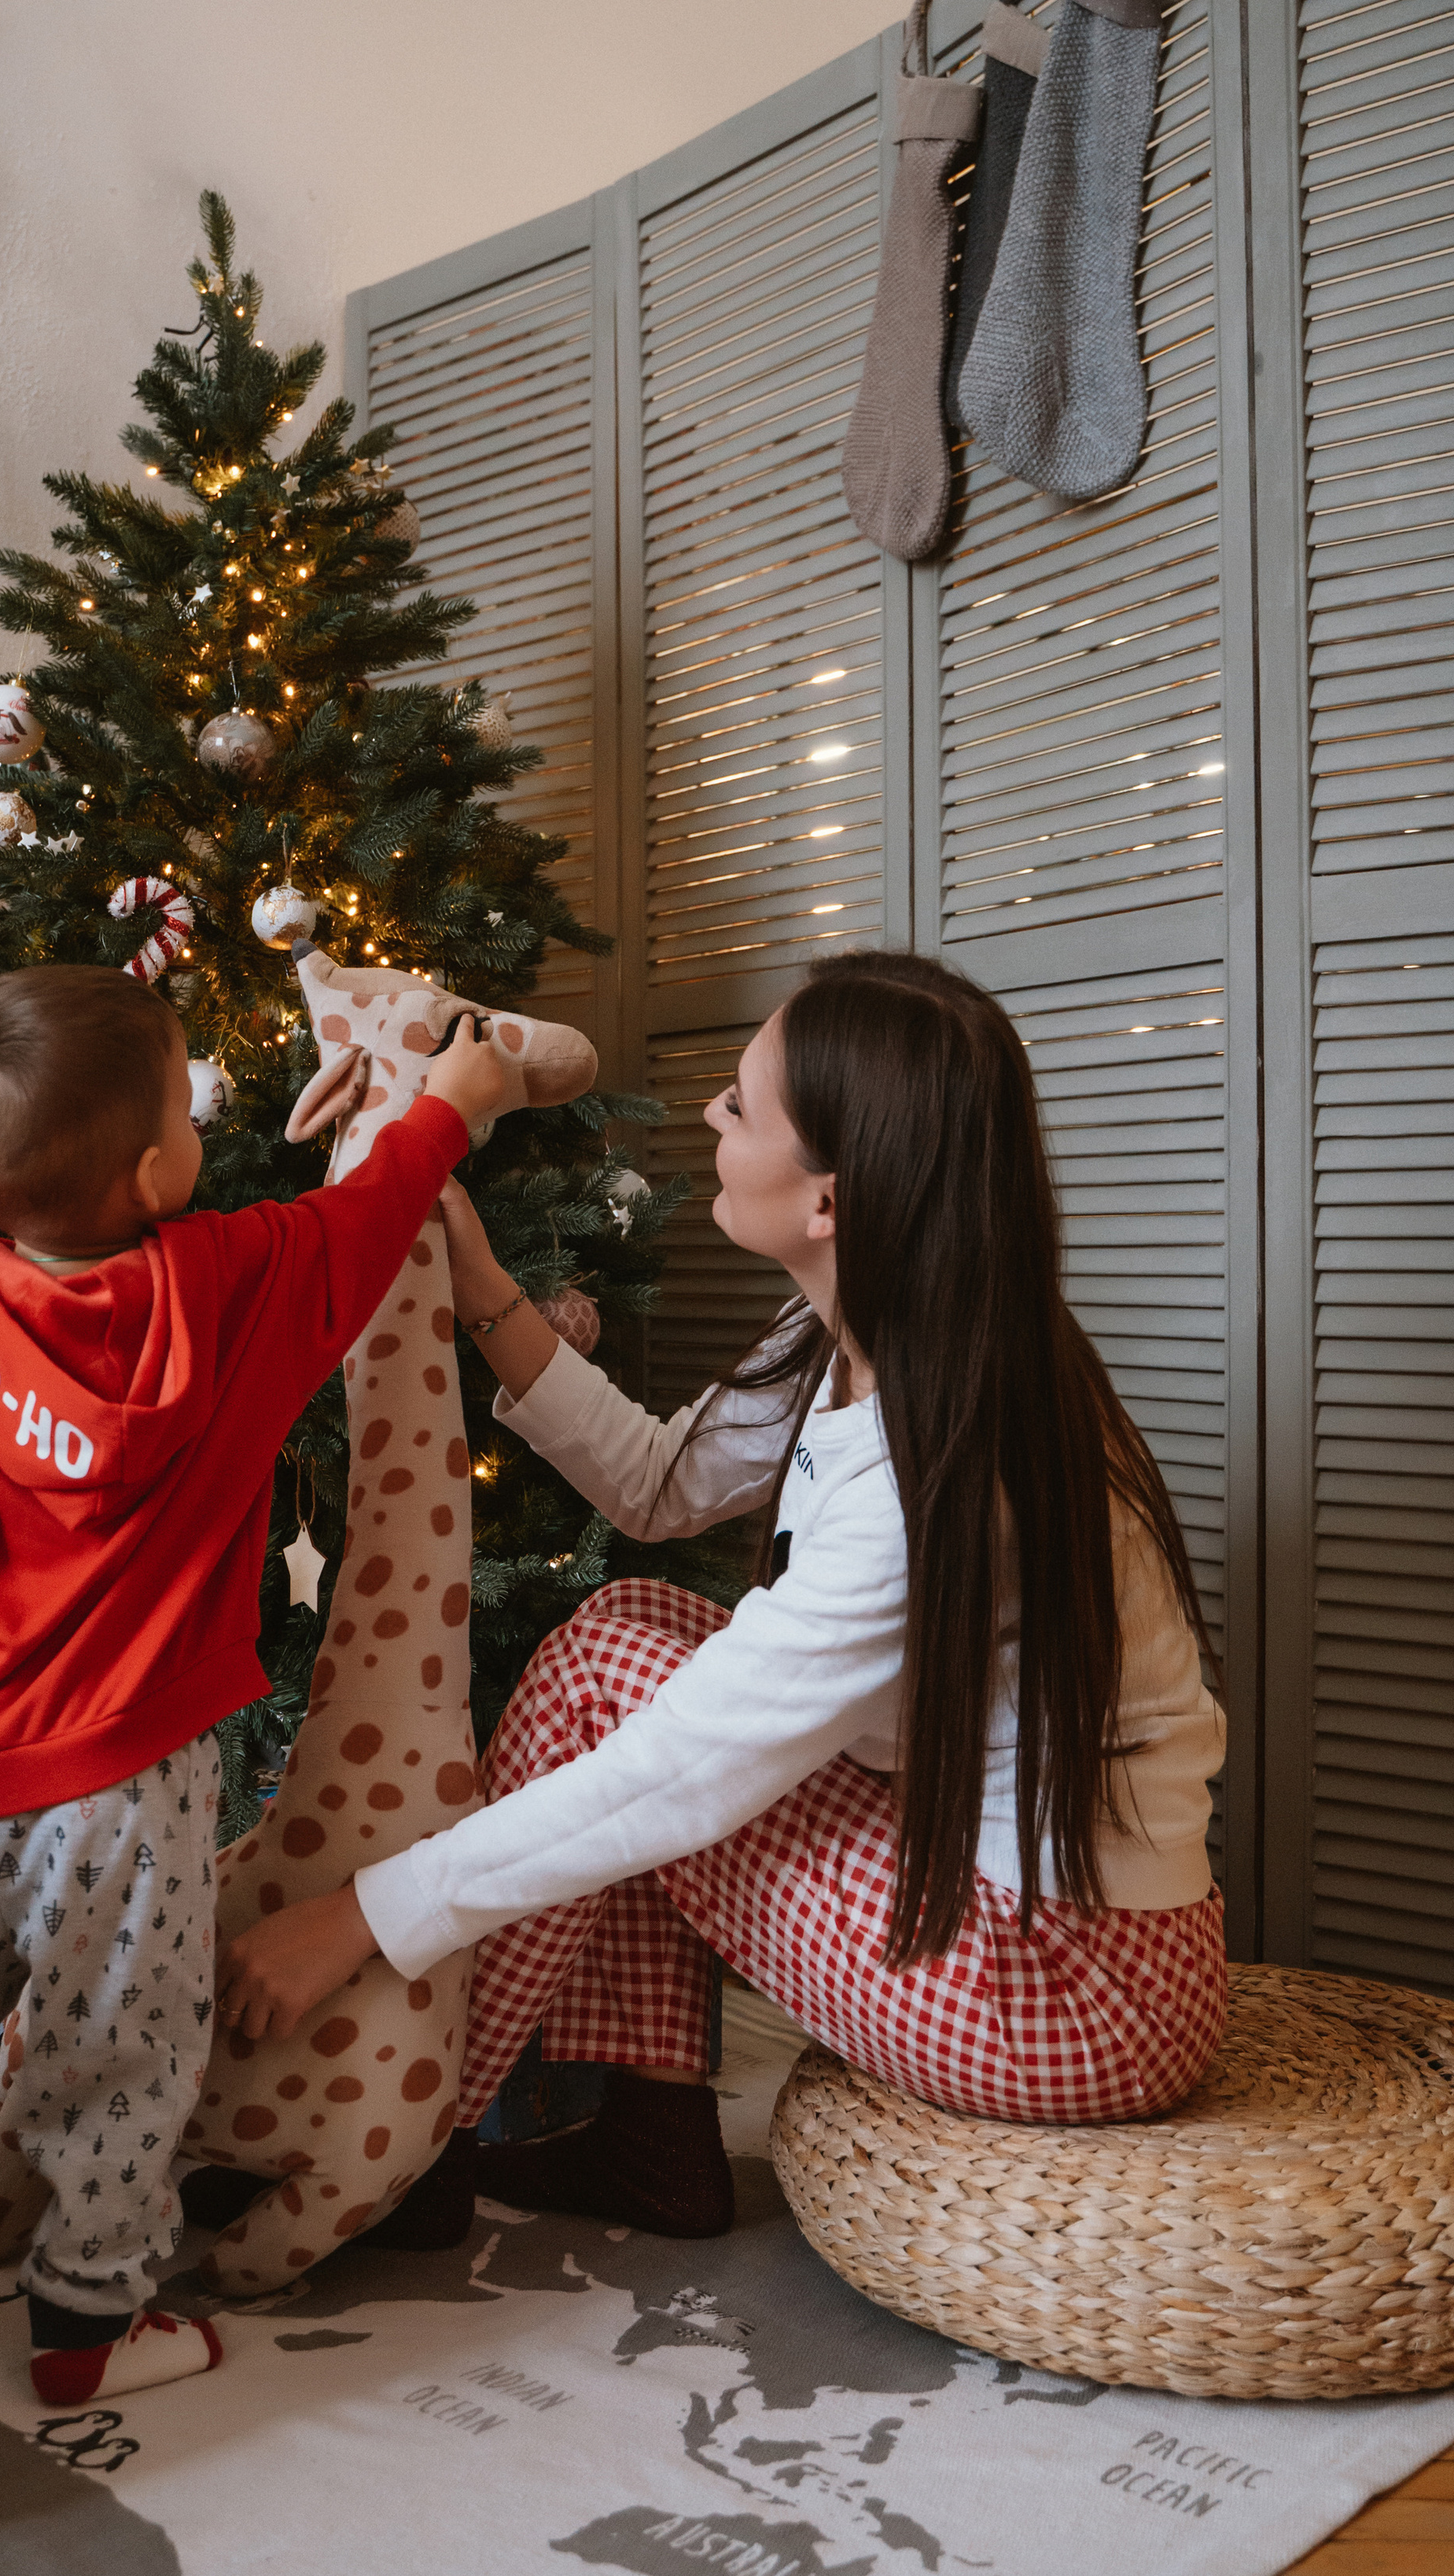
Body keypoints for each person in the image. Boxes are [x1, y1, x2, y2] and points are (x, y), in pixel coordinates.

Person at [215, 950, 1228, 2245]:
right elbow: (661, 1481)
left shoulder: (927, 1473)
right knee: (631, 1641)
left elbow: (674, 1775)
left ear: (830, 1200)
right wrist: (484, 1291)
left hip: (1072, 1991)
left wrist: (357, 1916)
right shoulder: (885, 1333)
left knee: (616, 1693)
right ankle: (648, 2139)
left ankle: (411, 2143)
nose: (709, 1113)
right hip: (1059, 1931)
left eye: (741, 1106)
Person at [0, 965, 506, 2404]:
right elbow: (362, 1226)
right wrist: (447, 1113)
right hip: (134, 1790)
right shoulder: (231, 1287)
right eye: (184, 1104)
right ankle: (84, 2327)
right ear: (159, 1171)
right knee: (122, 2047)